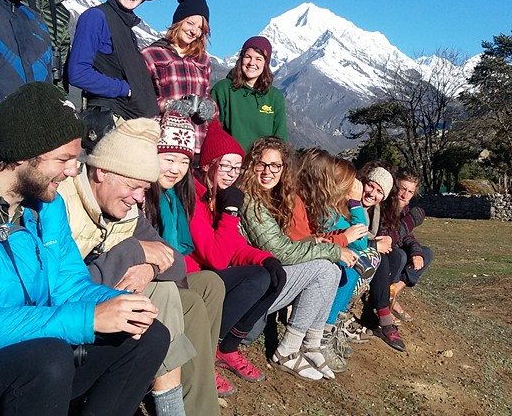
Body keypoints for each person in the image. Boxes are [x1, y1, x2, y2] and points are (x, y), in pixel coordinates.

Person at [0, 82, 169, 416]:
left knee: (147, 336)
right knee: (47, 360)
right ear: (24, 155)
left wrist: (116, 306)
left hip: (19, 353)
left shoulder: (44, 206)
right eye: (64, 159)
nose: (72, 171)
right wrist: (89, 317)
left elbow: (69, 285)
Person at [57, 118, 221, 416]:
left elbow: (174, 262)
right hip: (65, 322)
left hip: (98, 309)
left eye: (144, 190)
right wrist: (134, 252)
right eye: (133, 186)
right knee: (166, 304)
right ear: (101, 172)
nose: (138, 198)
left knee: (177, 295)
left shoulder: (127, 211)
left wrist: (148, 267)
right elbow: (66, 287)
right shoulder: (63, 205)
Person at [149, 116, 283, 397]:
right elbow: (218, 257)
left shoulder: (217, 195)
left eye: (237, 166)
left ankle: (226, 347)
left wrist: (264, 258)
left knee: (268, 274)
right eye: (225, 165)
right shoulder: (195, 199)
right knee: (254, 279)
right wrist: (231, 213)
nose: (232, 173)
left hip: (203, 271)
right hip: (196, 274)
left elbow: (233, 246)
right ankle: (206, 353)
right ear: (208, 165)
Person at [239, 136, 352, 380]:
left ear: (284, 168)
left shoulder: (268, 197)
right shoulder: (251, 202)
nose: (268, 172)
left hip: (263, 280)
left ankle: (310, 344)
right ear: (251, 165)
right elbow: (281, 252)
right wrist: (334, 248)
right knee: (325, 268)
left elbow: (286, 245)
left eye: (275, 166)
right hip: (249, 293)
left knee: (330, 269)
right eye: (261, 164)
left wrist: (315, 243)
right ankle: (288, 350)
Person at [290, 149, 384, 365]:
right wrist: (355, 203)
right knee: (348, 268)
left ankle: (332, 326)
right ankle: (324, 332)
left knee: (366, 261)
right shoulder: (330, 210)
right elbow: (359, 240)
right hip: (309, 259)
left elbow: (357, 239)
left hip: (319, 252)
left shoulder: (334, 208)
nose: (368, 193)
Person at [67, 0, 160, 120]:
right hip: (110, 120)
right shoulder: (96, 17)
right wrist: (125, 89)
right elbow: (78, 72)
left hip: (131, 123)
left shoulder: (128, 28)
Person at [141, 0, 217, 153]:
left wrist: (210, 108)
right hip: (164, 141)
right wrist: (168, 105)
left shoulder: (203, 60)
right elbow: (140, 99)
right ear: (179, 21)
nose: (194, 31)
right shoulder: (152, 54)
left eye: (200, 28)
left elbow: (208, 96)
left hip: (197, 144)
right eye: (190, 23)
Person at [354, 164, 406, 351]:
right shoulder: (351, 205)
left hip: (361, 251)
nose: (372, 194)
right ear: (362, 183)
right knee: (381, 257)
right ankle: (385, 318)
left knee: (396, 257)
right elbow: (348, 238)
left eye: (379, 191)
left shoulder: (374, 212)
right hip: (348, 253)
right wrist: (374, 245)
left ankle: (370, 311)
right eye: (370, 186)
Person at [211, 36, 288, 151]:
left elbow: (280, 141)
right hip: (230, 165)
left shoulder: (275, 97)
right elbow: (212, 131)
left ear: (265, 64)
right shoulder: (223, 89)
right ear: (241, 58)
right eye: (248, 57)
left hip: (262, 166)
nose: (252, 63)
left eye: (258, 59)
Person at [379, 168, 435, 322]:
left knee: (426, 253)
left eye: (410, 192)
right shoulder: (384, 205)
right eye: (402, 189)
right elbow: (389, 235)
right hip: (383, 250)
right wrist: (412, 220)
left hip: (395, 245)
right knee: (401, 255)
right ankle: (383, 300)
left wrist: (416, 252)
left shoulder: (405, 209)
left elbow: (405, 235)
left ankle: (394, 292)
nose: (405, 195)